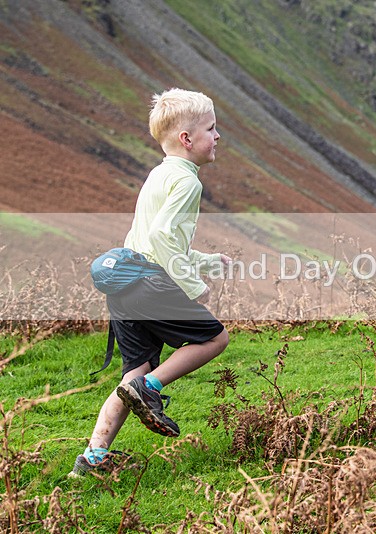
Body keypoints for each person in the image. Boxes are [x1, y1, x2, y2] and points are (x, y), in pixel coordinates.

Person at [70, 88, 231, 476]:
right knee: (215, 338)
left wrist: (207, 261)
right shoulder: (189, 182)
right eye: (211, 128)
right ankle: (151, 389)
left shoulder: (160, 174)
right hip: (149, 285)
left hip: (125, 285)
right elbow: (162, 238)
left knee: (133, 372)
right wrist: (195, 286)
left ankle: (92, 459)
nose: (218, 135)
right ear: (187, 139)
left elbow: (156, 240)